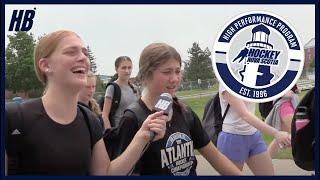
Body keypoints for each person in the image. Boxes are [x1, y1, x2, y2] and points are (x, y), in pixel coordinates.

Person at [5, 30, 166, 175]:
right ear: (46, 65)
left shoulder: (89, 121)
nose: (83, 58)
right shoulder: (13, 119)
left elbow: (105, 173)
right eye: (71, 52)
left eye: (85, 53)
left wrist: (142, 137)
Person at [116, 43, 242, 176]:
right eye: (167, 72)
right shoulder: (132, 118)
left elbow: (216, 157)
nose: (175, 79)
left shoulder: (185, 112)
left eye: (177, 71)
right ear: (147, 74)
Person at [217, 84, 292, 175]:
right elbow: (245, 115)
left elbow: (265, 91)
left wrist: (282, 93)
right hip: (233, 138)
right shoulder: (227, 83)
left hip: (254, 136)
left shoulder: (250, 79)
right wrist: (276, 133)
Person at [102, 56, 139, 130]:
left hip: (134, 131)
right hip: (118, 132)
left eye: (129, 68)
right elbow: (104, 115)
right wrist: (110, 134)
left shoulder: (135, 88)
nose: (127, 71)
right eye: (124, 68)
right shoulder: (112, 88)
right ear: (116, 69)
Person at [266, 85, 300, 157]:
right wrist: (283, 93)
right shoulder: (278, 77)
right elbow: (269, 89)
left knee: (281, 138)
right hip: (284, 106)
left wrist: (295, 90)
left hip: (291, 104)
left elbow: (296, 90)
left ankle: (265, 159)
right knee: (299, 132)